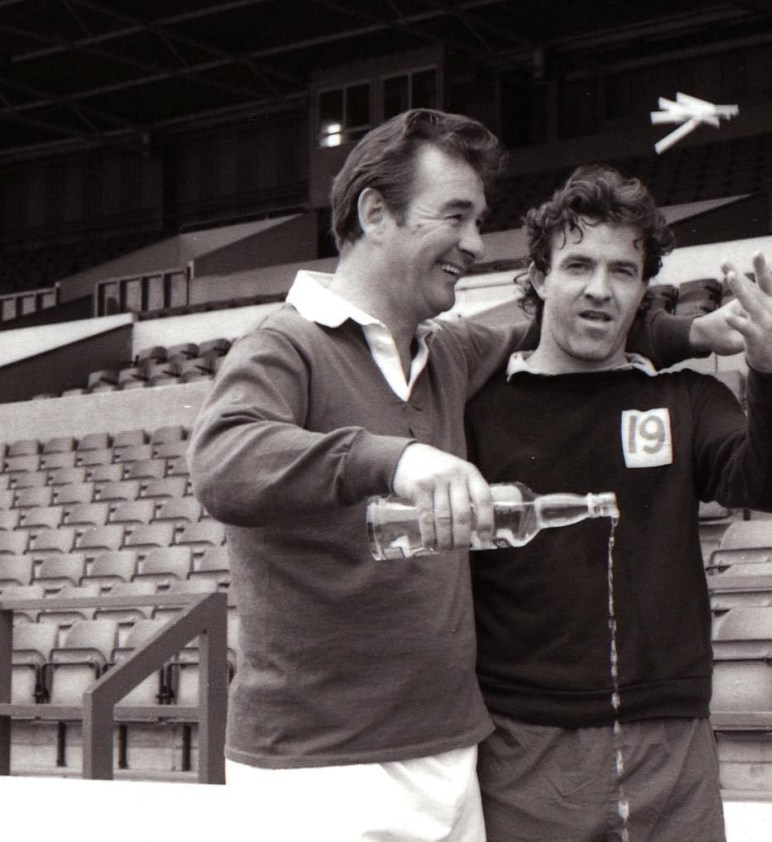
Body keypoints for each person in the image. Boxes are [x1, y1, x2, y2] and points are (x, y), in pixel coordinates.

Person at [187, 110, 742, 838]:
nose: (477, 244)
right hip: (318, 768)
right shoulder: (285, 346)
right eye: (457, 215)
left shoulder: (447, 354)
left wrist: (688, 333)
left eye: (479, 220)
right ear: (375, 213)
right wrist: (397, 460)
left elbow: (568, 318)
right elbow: (223, 461)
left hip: (450, 753)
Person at [465, 165, 772, 841]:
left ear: (643, 292)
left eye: (622, 272)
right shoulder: (477, 411)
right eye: (578, 265)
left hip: (671, 745)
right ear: (538, 278)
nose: (600, 289)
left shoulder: (682, 399)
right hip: (525, 748)